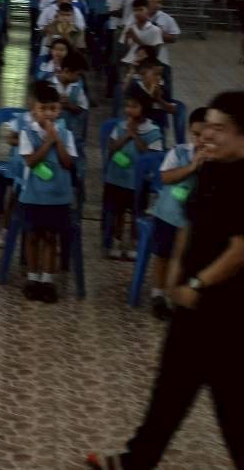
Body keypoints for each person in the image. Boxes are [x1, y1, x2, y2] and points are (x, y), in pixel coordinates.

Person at [88, 91, 244, 470]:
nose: (208, 135)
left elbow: (240, 249)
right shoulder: (209, 168)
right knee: (170, 392)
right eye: (207, 127)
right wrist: (175, 269)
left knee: (232, 408)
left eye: (219, 128)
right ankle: (136, 461)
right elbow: (190, 222)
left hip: (228, 313)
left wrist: (196, 284)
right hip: (193, 307)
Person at [147, 108, 206, 321]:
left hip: (192, 221)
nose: (200, 140)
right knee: (162, 255)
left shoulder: (214, 160)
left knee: (185, 259)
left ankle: (178, 296)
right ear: (190, 131)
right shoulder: (178, 152)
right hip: (168, 214)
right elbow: (165, 178)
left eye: (204, 135)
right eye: (196, 134)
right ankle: (158, 295)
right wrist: (192, 167)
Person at [104, 92, 165, 259]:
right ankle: (116, 241)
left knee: (137, 212)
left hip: (139, 181)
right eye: (127, 106)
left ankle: (134, 243)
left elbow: (151, 157)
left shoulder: (153, 131)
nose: (129, 110)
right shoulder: (120, 127)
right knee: (118, 212)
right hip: (117, 177)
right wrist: (126, 135)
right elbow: (112, 148)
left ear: (144, 109)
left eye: (134, 106)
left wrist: (135, 135)